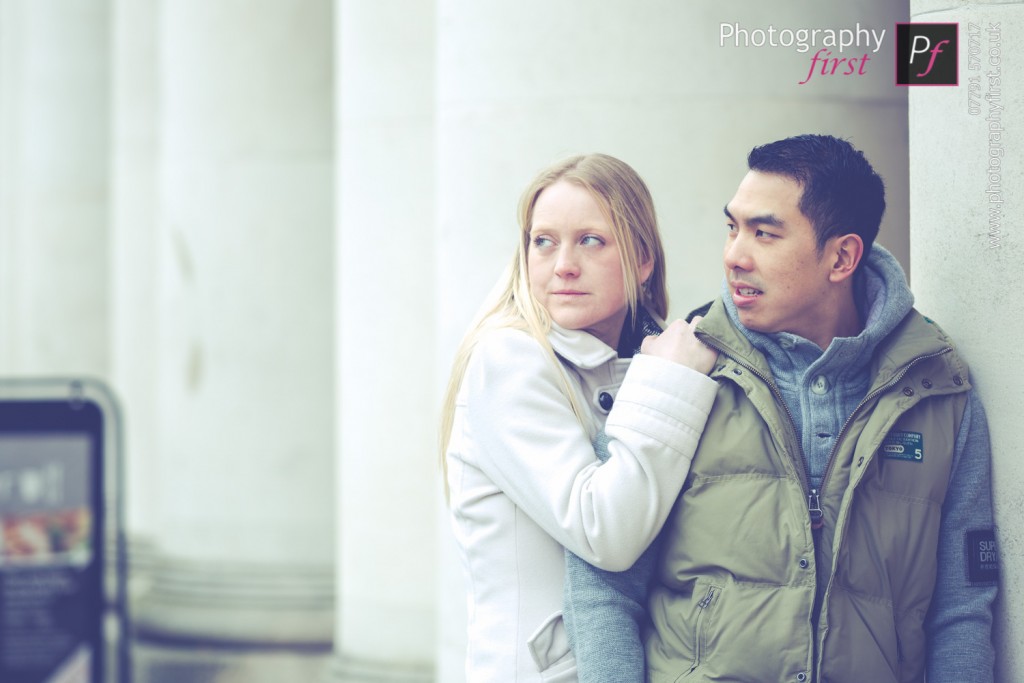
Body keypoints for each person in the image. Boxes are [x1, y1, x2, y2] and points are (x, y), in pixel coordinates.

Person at [567, 134, 998, 682]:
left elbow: (962, 608)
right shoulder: (678, 370)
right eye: (733, 227)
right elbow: (603, 584)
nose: (734, 256)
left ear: (841, 256)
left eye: (764, 233)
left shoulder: (937, 387)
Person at [440, 153, 719, 682]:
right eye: (543, 241)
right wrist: (672, 384)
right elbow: (603, 531)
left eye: (590, 240)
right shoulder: (510, 360)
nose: (563, 263)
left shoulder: (652, 358)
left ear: (642, 261)